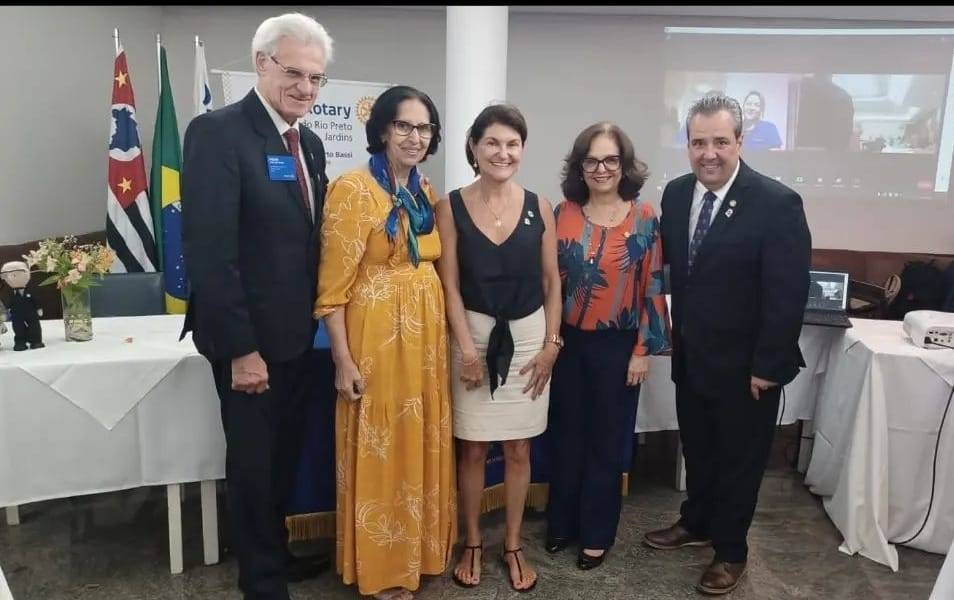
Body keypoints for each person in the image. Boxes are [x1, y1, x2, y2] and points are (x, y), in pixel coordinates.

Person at [180, 12, 332, 599]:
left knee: (284, 457)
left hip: (296, 337)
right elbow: (211, 251)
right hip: (248, 343)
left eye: (316, 77)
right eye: (295, 73)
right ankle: (261, 581)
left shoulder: (308, 143)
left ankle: (275, 552)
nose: (306, 87)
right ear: (262, 64)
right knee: (253, 464)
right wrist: (243, 350)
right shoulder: (218, 133)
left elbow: (306, 240)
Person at [645, 94, 811, 595]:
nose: (709, 153)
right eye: (699, 142)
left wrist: (768, 365)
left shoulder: (777, 203)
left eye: (720, 141)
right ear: (687, 145)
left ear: (740, 141)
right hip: (693, 358)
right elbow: (675, 274)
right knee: (698, 450)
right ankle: (696, 522)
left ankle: (731, 551)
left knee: (739, 462)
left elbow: (787, 294)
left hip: (747, 370)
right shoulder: (676, 194)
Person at [314, 85, 456, 600]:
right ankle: (382, 567)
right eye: (404, 126)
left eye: (424, 128)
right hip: (376, 339)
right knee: (383, 446)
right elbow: (331, 289)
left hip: (424, 344)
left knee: (418, 441)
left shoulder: (424, 190)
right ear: (381, 130)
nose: (415, 137)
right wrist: (342, 359)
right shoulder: (353, 189)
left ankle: (419, 554)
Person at [435, 104, 562, 592]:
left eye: (512, 144)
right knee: (471, 448)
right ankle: (472, 541)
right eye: (492, 142)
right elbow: (449, 286)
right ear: (474, 146)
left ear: (522, 149)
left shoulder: (539, 205)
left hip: (529, 337)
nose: (502, 152)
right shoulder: (450, 206)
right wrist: (467, 350)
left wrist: (552, 345)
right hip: (471, 335)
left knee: (519, 446)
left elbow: (552, 282)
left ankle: (511, 543)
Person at [547, 122, 671, 570]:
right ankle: (562, 522)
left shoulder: (645, 217)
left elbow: (653, 285)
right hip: (567, 344)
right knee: (566, 436)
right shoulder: (562, 213)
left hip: (618, 347)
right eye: (592, 160)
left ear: (624, 165)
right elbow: (549, 283)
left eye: (610, 160)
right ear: (580, 166)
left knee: (606, 441)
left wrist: (642, 351)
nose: (601, 169)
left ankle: (596, 533)